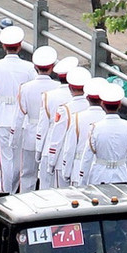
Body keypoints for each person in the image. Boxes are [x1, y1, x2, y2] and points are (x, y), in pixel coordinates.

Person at [0, 25, 36, 193]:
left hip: (1, 117)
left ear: (3, 46)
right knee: (20, 161)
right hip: (22, 119)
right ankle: (15, 192)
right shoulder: (29, 68)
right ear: (20, 45)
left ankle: (5, 193)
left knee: (4, 161)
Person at [77, 82, 127, 186]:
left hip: (99, 174)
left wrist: (82, 183)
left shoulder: (95, 128)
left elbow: (87, 158)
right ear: (119, 105)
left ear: (102, 104)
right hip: (121, 174)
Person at [13, 46, 57, 192]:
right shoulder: (57, 87)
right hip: (51, 136)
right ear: (52, 67)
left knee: (27, 174)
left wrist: (14, 140)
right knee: (48, 177)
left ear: (35, 67)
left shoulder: (25, 88)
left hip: (30, 134)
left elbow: (19, 117)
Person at [34, 56, 78, 190]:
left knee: (46, 191)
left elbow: (42, 127)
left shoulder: (49, 96)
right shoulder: (85, 100)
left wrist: (39, 150)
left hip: (51, 148)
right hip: (75, 155)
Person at [43, 67, 90, 187]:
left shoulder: (65, 110)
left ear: (70, 88)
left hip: (64, 161)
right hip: (88, 163)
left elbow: (57, 139)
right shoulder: (93, 108)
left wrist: (51, 162)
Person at [59, 76, 105, 186]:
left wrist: (66, 172)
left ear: (87, 98)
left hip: (78, 170)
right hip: (101, 173)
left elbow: (69, 148)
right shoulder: (108, 120)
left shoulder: (77, 118)